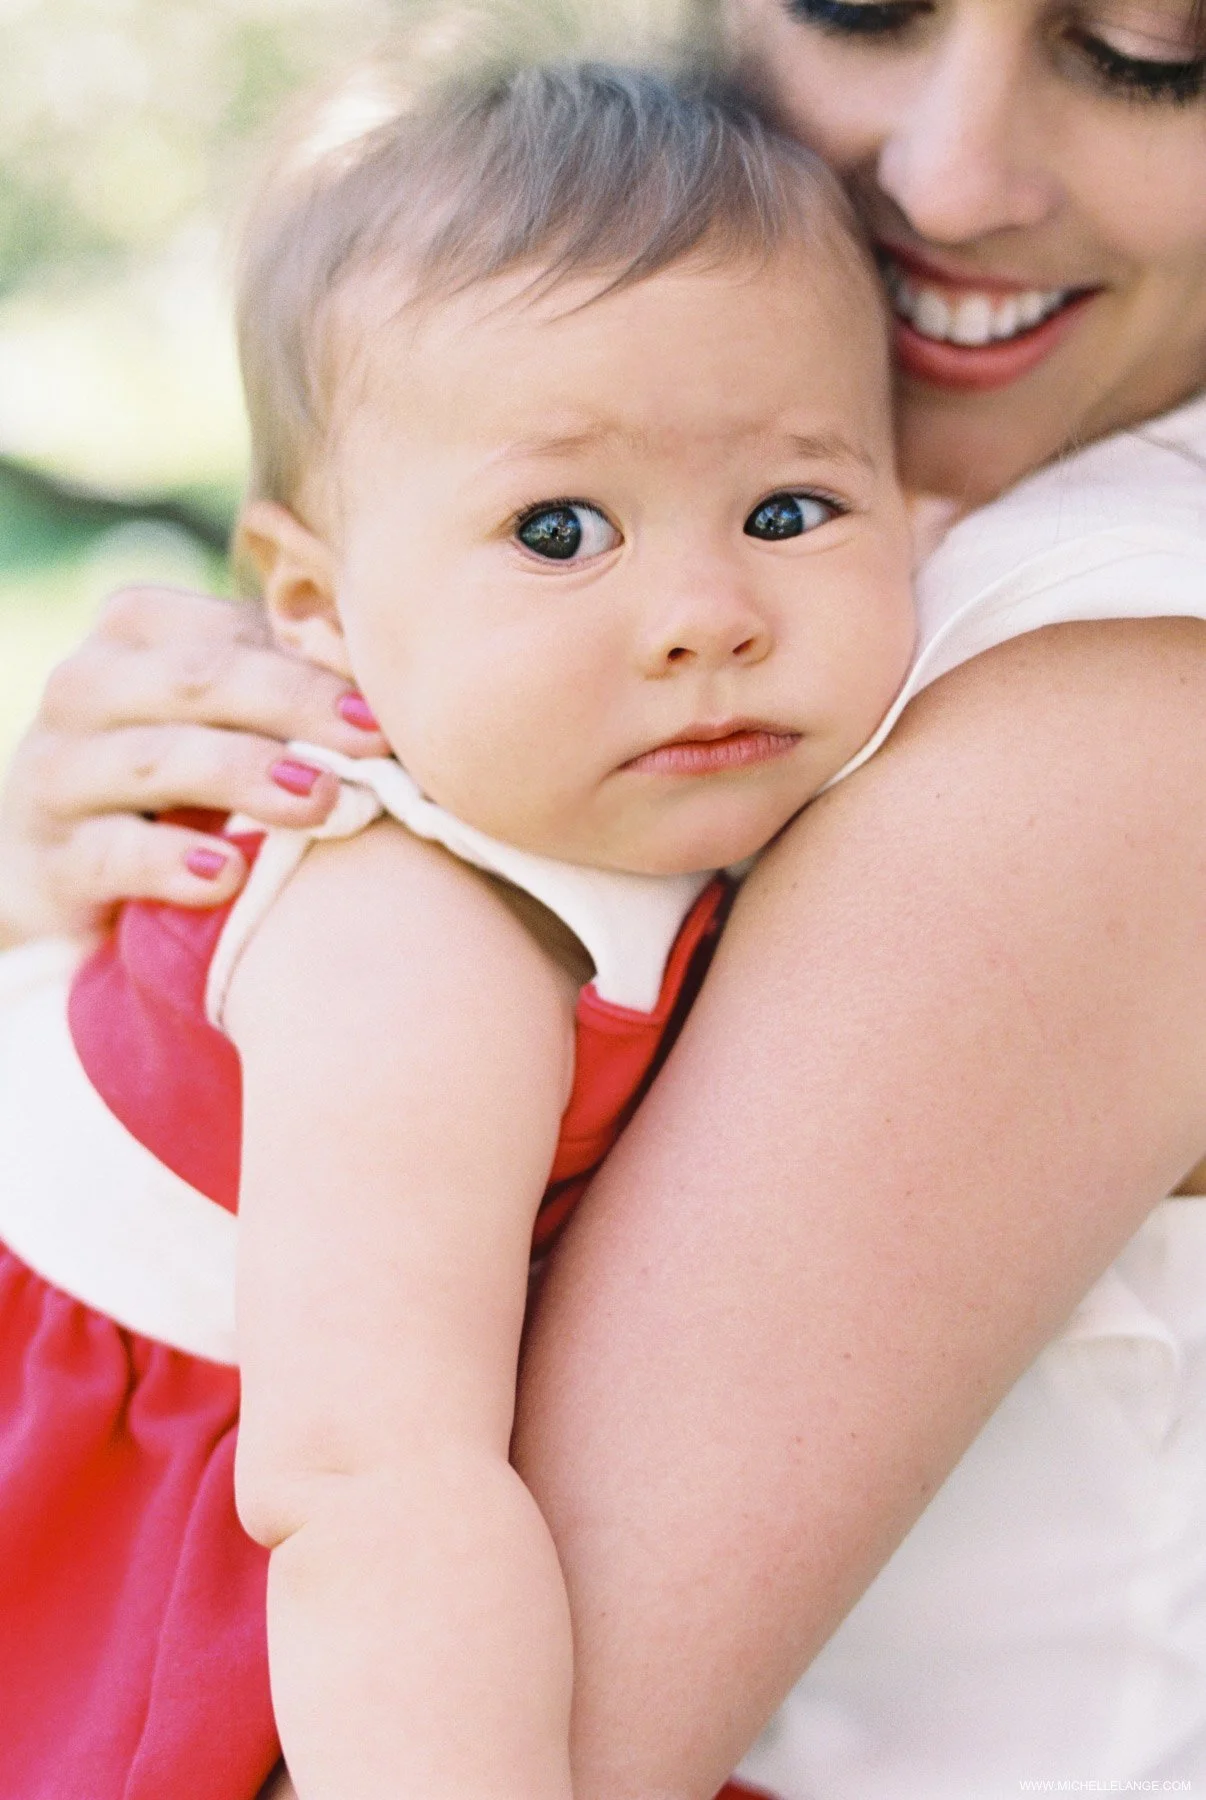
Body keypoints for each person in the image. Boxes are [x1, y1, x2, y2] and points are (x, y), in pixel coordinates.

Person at [3, 1, 1206, 1796]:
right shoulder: (428, 903)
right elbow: (367, 1485)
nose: (949, 177)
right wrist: (61, 892)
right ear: (312, 598)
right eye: (859, 1)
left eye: (1146, 45)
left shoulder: (1111, 687)